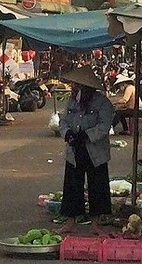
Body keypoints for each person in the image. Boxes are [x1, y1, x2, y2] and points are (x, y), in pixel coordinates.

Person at [55, 66, 115, 236]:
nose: (75, 89)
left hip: (95, 151)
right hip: (74, 150)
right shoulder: (72, 100)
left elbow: (105, 125)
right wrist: (67, 134)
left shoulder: (102, 102)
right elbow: (63, 120)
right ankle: (70, 222)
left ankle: (96, 223)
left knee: (97, 185)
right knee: (72, 185)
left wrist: (87, 135)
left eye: (78, 86)